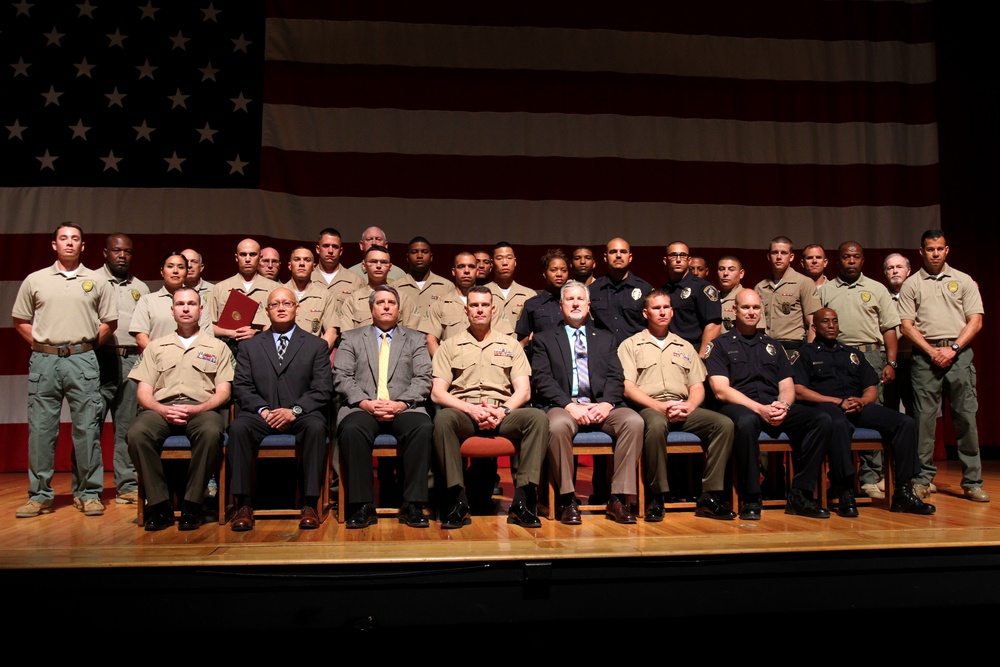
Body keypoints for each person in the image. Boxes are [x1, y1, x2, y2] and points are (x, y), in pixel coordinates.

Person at [13, 223, 117, 518]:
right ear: (54, 244)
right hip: (44, 362)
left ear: (83, 246)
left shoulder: (96, 280)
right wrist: (44, 344)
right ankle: (40, 495)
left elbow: (110, 321)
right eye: (63, 238)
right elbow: (20, 319)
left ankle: (89, 492)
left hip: (82, 360)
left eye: (75, 239)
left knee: (87, 429)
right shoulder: (36, 280)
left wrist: (82, 348)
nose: (69, 243)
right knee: (41, 430)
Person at [792, 308, 934, 515]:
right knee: (837, 424)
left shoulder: (852, 354)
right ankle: (845, 489)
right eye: (825, 322)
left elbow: (870, 388)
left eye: (835, 321)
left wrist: (863, 400)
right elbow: (799, 391)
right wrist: (837, 401)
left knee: (905, 422)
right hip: (826, 406)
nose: (831, 325)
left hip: (857, 406)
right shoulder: (804, 354)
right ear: (814, 327)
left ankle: (903, 491)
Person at [706, 289, 831, 520]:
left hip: (772, 406)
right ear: (734, 310)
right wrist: (758, 408)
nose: (751, 312)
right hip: (740, 406)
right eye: (745, 307)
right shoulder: (720, 345)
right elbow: (721, 391)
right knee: (745, 422)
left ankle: (800, 494)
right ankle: (751, 497)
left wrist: (783, 405)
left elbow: (787, 385)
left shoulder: (772, 345)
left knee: (821, 419)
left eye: (755, 308)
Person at [430, 286, 548, 529]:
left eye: (484, 305)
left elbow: (523, 390)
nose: (480, 310)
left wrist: (502, 411)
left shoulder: (511, 345)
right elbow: (438, 392)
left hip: (502, 413)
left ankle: (523, 501)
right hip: (465, 413)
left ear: (493, 309)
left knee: (537, 418)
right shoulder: (449, 346)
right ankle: (456, 501)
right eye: (474, 305)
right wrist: (470, 410)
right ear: (466, 310)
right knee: (442, 420)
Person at [619, 289, 735, 521]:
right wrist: (658, 406)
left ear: (672, 312)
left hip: (684, 406)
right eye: (656, 308)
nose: (662, 312)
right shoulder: (631, 345)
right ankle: (657, 496)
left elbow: (698, 386)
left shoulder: (684, 346)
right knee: (656, 426)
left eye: (666, 307)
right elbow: (628, 387)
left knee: (724, 424)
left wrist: (690, 406)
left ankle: (709, 496)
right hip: (650, 407)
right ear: (645, 313)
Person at [531, 281, 642, 524]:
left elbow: (616, 376)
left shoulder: (605, 338)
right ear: (561, 306)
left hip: (599, 405)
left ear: (589, 305)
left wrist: (607, 404)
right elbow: (542, 379)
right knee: (557, 427)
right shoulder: (544, 339)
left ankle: (618, 498)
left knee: (633, 421)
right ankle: (567, 498)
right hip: (563, 406)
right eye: (569, 299)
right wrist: (570, 405)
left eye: (580, 299)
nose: (575, 303)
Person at [227, 288, 334, 531]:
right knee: (238, 428)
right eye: (275, 304)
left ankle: (309, 503)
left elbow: (322, 389)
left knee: (317, 426)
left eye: (287, 303)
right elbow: (242, 387)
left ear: (298, 308)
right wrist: (264, 410)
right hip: (261, 415)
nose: (282, 307)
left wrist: (294, 410)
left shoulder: (316, 345)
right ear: (267, 311)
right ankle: (243, 504)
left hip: (300, 415)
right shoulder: (250, 347)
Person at [126, 288, 231, 530]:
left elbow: (224, 392)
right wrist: (161, 410)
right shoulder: (156, 347)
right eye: (180, 304)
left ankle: (192, 504)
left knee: (212, 432)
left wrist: (200, 409)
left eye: (192, 304)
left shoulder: (218, 347)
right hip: (161, 408)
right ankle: (159, 503)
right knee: (137, 433)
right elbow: (143, 392)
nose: (186, 308)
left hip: (201, 409)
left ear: (200, 310)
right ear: (172, 310)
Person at [898, 230, 988, 502]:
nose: (935, 253)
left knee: (966, 418)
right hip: (925, 357)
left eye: (939, 248)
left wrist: (953, 349)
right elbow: (906, 326)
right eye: (930, 249)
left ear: (947, 250)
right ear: (921, 252)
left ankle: (972, 481)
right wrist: (931, 351)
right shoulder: (912, 284)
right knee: (924, 421)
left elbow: (976, 321)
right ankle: (923, 479)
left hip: (958, 355)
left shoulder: (962, 281)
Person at [334, 285, 434, 528]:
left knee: (422, 426)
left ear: (399, 309)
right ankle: (362, 505)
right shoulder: (351, 337)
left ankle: (412, 504)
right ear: (371, 308)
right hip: (363, 405)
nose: (387, 306)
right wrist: (365, 403)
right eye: (380, 302)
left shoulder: (416, 338)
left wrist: (401, 404)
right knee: (352, 429)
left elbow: (424, 378)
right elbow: (342, 377)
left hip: (403, 406)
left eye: (392, 302)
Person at [819, 241, 900, 498]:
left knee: (870, 412)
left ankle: (870, 476)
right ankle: (841, 478)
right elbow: (814, 325)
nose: (851, 261)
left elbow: (889, 328)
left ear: (863, 260)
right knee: (838, 415)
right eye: (846, 257)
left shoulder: (876, 289)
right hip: (834, 356)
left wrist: (891, 362)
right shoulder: (825, 289)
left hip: (870, 356)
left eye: (855, 257)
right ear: (837, 260)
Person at [97, 233, 149, 505]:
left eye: (127, 252)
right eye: (116, 251)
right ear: (105, 252)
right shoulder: (91, 281)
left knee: (126, 427)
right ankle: (89, 489)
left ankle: (126, 485)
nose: (122, 255)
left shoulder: (140, 287)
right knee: (90, 426)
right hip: (98, 358)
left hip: (130, 360)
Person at [208, 238, 281, 348]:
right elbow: (208, 326)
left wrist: (256, 334)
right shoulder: (220, 288)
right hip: (228, 349)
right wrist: (231, 333)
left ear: (260, 257)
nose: (247, 259)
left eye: (252, 254)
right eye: (243, 255)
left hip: (264, 349)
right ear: (236, 258)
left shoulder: (275, 289)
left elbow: (282, 325)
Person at [755, 236, 821, 355]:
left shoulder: (803, 283)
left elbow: (812, 322)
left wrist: (810, 353)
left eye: (784, 253)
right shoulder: (760, 287)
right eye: (775, 252)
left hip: (793, 348)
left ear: (791, 257)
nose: (779, 257)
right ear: (769, 256)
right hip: (766, 347)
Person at [132, 252, 213, 350]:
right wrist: (160, 357)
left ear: (187, 272)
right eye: (170, 266)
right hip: (157, 360)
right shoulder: (147, 301)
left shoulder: (197, 301)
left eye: (181, 267)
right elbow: (141, 337)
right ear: (162, 271)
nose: (175, 271)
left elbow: (207, 336)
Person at [589, 237, 653, 346]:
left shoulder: (645, 289)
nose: (618, 255)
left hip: (637, 352)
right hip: (604, 353)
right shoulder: (593, 290)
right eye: (613, 252)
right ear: (605, 257)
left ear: (630, 257)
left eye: (623, 252)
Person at [662, 241, 721, 357]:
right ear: (665, 260)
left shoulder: (702, 288)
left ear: (689, 261)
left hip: (694, 352)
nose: (678, 259)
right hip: (668, 353)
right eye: (673, 255)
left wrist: (702, 358)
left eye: (683, 255)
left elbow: (713, 325)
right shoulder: (663, 291)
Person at [336, 245, 413, 332]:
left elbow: (411, 335)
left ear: (390, 267)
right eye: (373, 262)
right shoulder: (352, 300)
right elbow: (348, 336)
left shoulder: (404, 299)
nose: (379, 266)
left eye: (383, 262)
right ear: (364, 266)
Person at [419, 251, 480, 356]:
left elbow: (502, 338)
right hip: (450, 365)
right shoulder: (440, 304)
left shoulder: (490, 304)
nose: (466, 271)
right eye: (461, 266)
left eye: (471, 266)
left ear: (477, 271)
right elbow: (430, 339)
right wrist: (443, 365)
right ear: (454, 271)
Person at [392, 237, 452, 329]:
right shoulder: (395, 287)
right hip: (404, 341)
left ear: (431, 257)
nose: (419, 255)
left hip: (436, 341)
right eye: (414, 252)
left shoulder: (446, 287)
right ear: (407, 258)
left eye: (424, 252)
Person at [285, 246, 338, 348]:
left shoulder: (325, 295)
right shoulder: (276, 293)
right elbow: (268, 328)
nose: (301, 263)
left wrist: (317, 355)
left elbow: (331, 332)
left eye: (307, 260)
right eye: (297, 259)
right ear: (289, 265)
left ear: (314, 267)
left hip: (313, 356)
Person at [515, 248, 571, 344]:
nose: (559, 274)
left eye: (563, 270)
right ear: (544, 273)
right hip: (542, 357)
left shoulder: (574, 302)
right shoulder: (532, 304)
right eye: (553, 270)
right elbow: (522, 342)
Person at [882, 252, 914, 416]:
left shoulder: (919, 293)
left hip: (914, 360)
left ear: (908, 271)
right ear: (885, 273)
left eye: (899, 267)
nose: (895, 271)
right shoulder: (879, 296)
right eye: (890, 268)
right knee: (888, 408)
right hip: (887, 361)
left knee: (916, 409)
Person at [311, 227, 365, 314]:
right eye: (326, 246)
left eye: (335, 247)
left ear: (341, 251)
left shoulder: (356, 281)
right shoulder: (308, 279)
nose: (330, 251)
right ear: (318, 249)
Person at [486, 241, 535, 335]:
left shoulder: (529, 295)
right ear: (492, 263)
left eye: (509, 258)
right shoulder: (481, 294)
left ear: (515, 262)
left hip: (520, 348)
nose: (505, 263)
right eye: (499, 258)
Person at [717, 255, 765, 332]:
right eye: (721, 269)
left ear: (741, 273)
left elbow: (758, 332)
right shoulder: (711, 298)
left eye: (731, 270)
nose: (725, 273)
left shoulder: (749, 298)